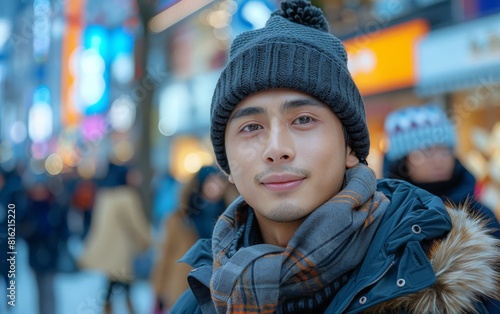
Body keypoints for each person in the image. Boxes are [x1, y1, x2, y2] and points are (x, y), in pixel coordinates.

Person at [171, 0, 500, 313]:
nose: (275, 149)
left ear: (350, 149)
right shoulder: (201, 300)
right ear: (226, 163)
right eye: (251, 126)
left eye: (303, 120)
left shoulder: (451, 286)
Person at [383, 103, 500, 312]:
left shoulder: (481, 212)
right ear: (403, 160)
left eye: (444, 149)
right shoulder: (388, 217)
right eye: (426, 150)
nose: (438, 159)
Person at [151, 165, 239, 312]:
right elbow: (165, 256)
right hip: (182, 288)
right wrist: (158, 291)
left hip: (219, 292)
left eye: (218, 181)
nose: (215, 186)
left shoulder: (232, 218)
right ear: (200, 183)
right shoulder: (179, 219)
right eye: (210, 181)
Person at [78, 162, 151, 314]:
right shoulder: (127, 196)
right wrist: (148, 242)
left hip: (108, 251)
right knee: (125, 288)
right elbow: (137, 224)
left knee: (112, 287)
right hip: (122, 252)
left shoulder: (104, 195)